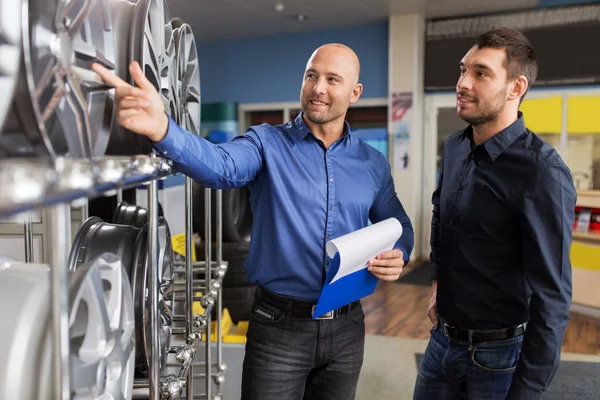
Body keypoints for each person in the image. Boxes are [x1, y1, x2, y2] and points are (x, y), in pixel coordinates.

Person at [93, 43, 414, 399]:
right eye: (311, 76)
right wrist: (164, 130)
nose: (318, 87)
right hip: (279, 328)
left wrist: (399, 252)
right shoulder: (267, 142)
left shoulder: (372, 163)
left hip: (348, 327)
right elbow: (220, 166)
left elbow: (398, 224)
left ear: (354, 93)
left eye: (332, 79)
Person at [414, 27, 576, 400]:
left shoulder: (542, 172)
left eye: (481, 73)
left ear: (516, 87)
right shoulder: (455, 146)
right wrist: (438, 280)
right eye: (462, 70)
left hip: (498, 357)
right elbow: (442, 215)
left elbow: (552, 299)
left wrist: (527, 390)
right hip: (441, 343)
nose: (462, 83)